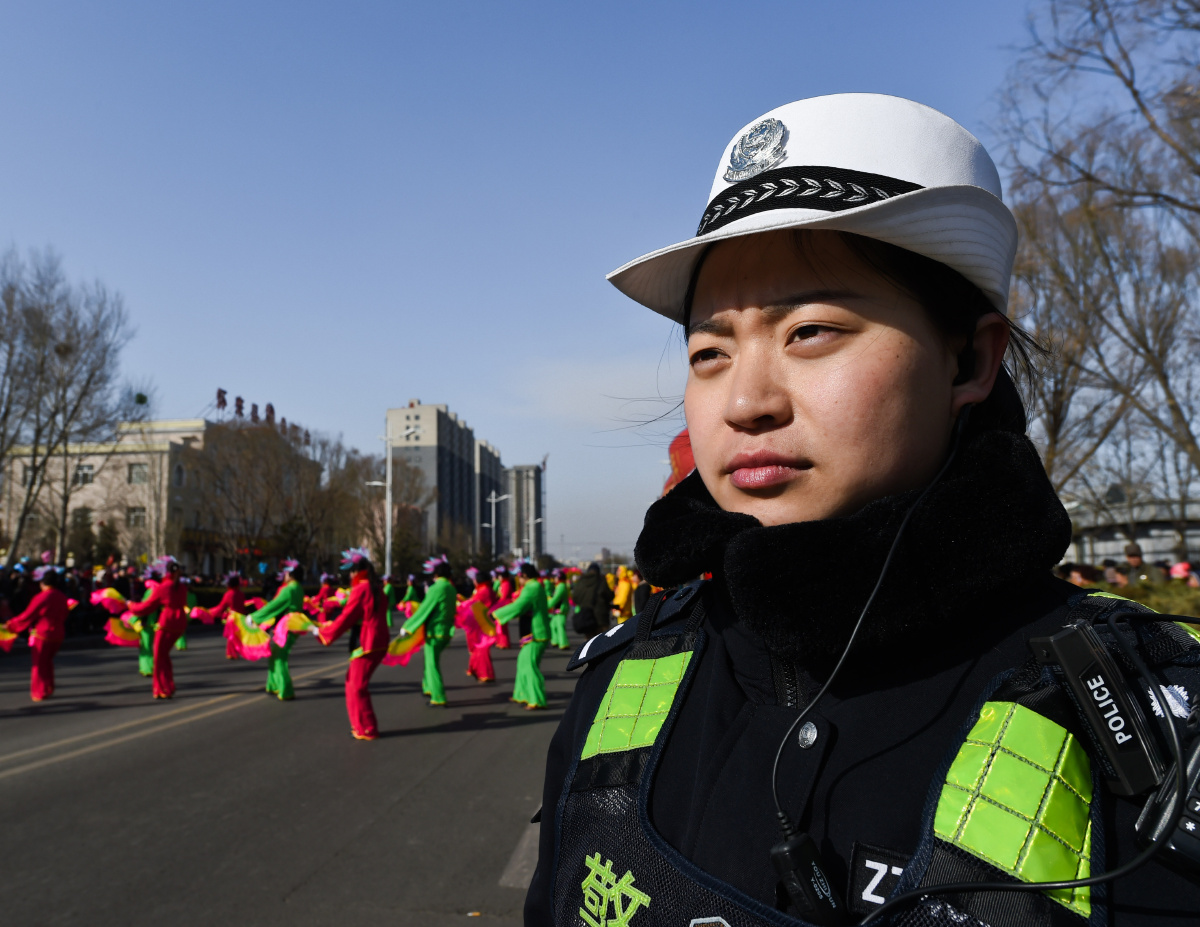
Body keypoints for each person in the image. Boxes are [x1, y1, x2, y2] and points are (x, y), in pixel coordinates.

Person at [525, 94, 1200, 926]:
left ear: (969, 359)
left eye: (810, 330)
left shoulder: (1152, 727)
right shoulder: (621, 684)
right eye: (709, 351)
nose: (746, 400)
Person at [317, 548, 391, 740]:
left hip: (367, 643)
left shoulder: (361, 589)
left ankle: (368, 728)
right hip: (376, 641)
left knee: (357, 686)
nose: (349, 575)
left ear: (357, 571)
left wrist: (324, 633)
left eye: (351, 571)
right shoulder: (375, 587)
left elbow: (347, 617)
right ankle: (360, 726)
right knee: (352, 683)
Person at [3, 565, 70, 701]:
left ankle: (40, 691)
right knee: (47, 661)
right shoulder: (62, 597)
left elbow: (28, 615)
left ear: (43, 583)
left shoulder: (42, 597)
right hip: (58, 634)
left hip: (43, 634)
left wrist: (11, 624)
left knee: (39, 664)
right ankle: (49, 686)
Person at [126, 556, 189, 699]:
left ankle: (161, 689)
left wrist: (131, 606)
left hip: (167, 624)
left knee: (159, 658)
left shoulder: (164, 587)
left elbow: (147, 607)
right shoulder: (182, 587)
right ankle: (168, 686)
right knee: (163, 655)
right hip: (179, 624)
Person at [400, 555, 457, 706]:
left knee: (432, 665)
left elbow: (424, 609)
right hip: (446, 631)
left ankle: (438, 697)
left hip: (435, 632)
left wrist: (408, 627)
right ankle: (428, 687)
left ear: (436, 574)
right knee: (430, 662)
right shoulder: (451, 588)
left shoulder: (436, 588)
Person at [245, 559, 306, 701]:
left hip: (288, 627)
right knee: (275, 656)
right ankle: (273, 685)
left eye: (286, 573)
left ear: (291, 574)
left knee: (279, 658)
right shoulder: (298, 588)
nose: (284, 576)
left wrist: (254, 617)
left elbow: (273, 606)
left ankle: (286, 690)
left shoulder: (289, 589)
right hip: (291, 626)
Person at [494, 561, 550, 709]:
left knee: (530, 667)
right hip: (533, 632)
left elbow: (519, 606)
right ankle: (522, 694)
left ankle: (537, 699)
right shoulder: (534, 586)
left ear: (524, 575)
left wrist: (496, 615)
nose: (518, 580)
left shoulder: (532, 587)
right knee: (523, 663)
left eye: (518, 576)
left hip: (536, 633)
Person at [192, 571, 245, 659]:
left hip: (232, 617)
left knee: (231, 636)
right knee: (237, 635)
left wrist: (210, 611)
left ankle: (231, 653)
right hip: (241, 617)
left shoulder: (229, 594)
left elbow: (222, 607)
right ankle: (236, 652)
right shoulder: (241, 594)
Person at [457, 566, 497, 683]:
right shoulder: (486, 589)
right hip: (482, 622)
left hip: (481, 624)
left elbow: (473, 604)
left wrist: (461, 602)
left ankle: (485, 674)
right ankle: (477, 670)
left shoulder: (483, 591)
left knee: (481, 648)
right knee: (479, 648)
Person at [569, 562, 612, 637]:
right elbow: (609, 596)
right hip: (601, 617)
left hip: (586, 617)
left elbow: (575, 597)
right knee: (603, 641)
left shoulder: (581, 581)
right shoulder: (601, 581)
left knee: (589, 641)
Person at [547, 569, 570, 650]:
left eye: (555, 577)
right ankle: (555, 641)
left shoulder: (561, 586)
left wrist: (547, 605)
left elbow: (556, 598)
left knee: (560, 626)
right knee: (553, 625)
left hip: (561, 610)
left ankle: (563, 644)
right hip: (557, 610)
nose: (554, 579)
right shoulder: (559, 586)